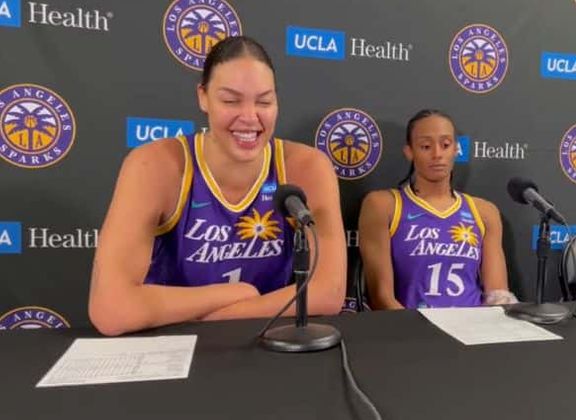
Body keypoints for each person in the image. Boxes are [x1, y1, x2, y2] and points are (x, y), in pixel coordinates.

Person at [89, 36, 346, 335]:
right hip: (173, 344)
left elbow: (328, 292)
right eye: (230, 101)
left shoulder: (307, 166)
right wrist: (237, 293)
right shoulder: (155, 164)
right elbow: (111, 309)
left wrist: (222, 316)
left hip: (269, 341)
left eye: (264, 101)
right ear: (203, 97)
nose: (250, 117)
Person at [358, 109, 517, 309]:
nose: (437, 154)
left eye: (445, 145)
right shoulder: (383, 205)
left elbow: (498, 296)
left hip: (473, 324)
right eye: (426, 146)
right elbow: (381, 297)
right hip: (412, 325)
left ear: (456, 150)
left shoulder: (484, 212)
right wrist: (420, 328)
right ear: (409, 152)